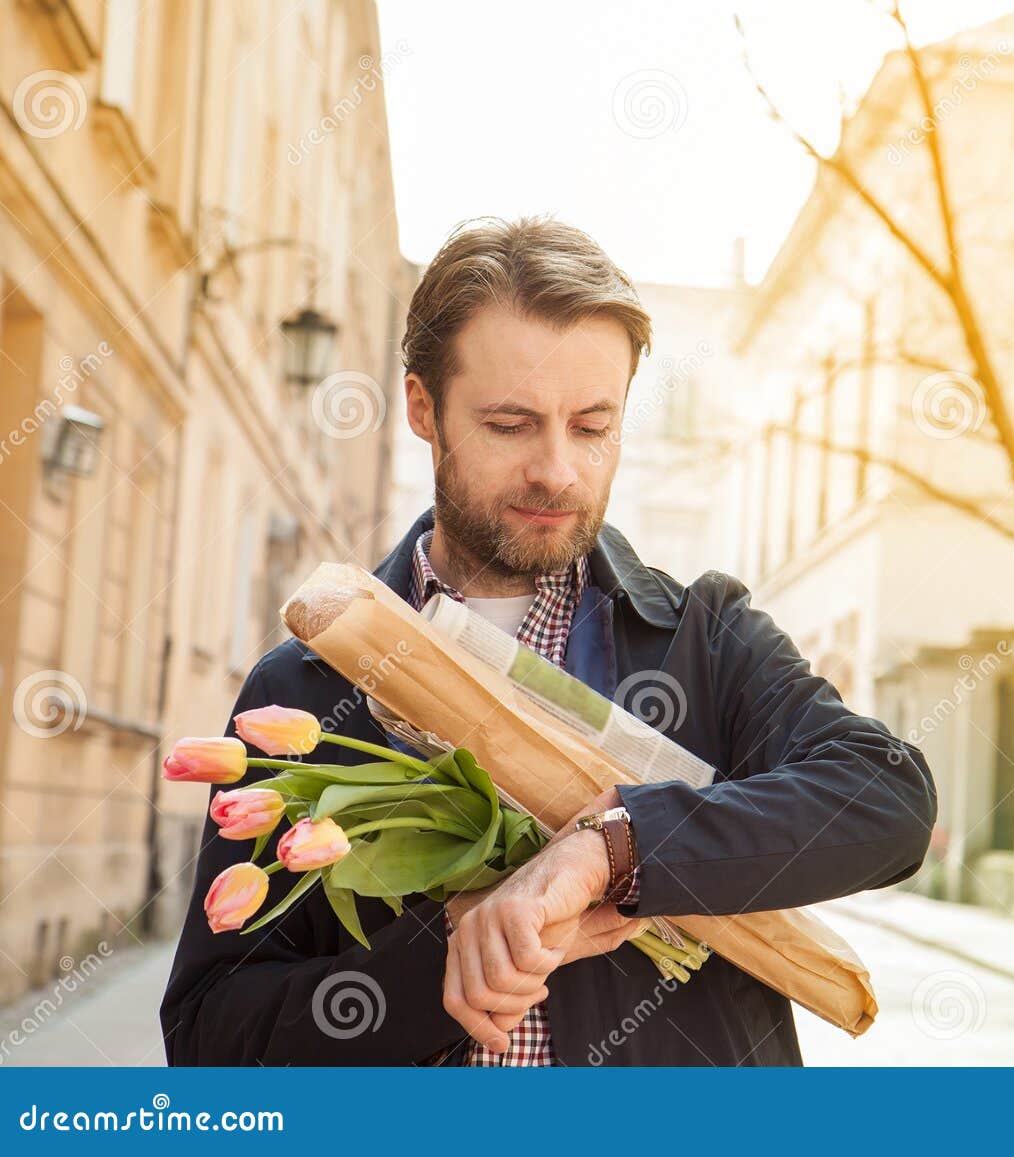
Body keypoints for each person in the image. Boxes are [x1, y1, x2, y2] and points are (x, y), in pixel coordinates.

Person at [160, 215, 937, 1066]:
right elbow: (209, 1040)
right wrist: (449, 954)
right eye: (510, 424)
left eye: (594, 426)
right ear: (423, 407)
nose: (558, 469)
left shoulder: (702, 641)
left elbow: (888, 801)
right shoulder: (309, 686)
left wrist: (611, 850)